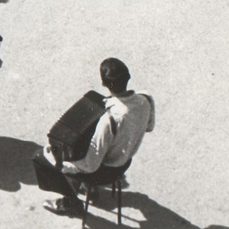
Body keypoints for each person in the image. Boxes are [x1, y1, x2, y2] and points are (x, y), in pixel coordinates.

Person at [33, 57, 155, 218]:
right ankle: (86, 187)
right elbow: (149, 127)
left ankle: (71, 203)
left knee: (39, 158)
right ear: (128, 77)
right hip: (125, 162)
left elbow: (90, 166)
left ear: (104, 84)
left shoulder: (110, 119)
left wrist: (63, 163)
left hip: (104, 171)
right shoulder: (146, 99)